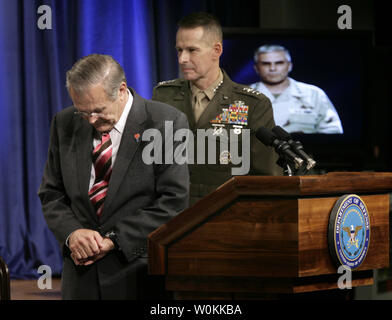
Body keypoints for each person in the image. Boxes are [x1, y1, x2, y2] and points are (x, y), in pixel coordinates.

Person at [38, 54, 189, 299]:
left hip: (137, 271)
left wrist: (112, 240)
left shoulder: (165, 122)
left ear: (121, 90)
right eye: (83, 113)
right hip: (80, 275)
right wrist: (72, 233)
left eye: (98, 111)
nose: (91, 120)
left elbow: (173, 201)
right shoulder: (64, 122)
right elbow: (51, 193)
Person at [152, 12, 282, 205]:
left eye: (192, 50)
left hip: (225, 218)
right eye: (179, 50)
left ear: (217, 50)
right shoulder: (163, 95)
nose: (182, 59)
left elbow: (266, 178)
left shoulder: (253, 104)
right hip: (169, 218)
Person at [250, 44, 343, 134]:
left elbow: (332, 131)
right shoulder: (243, 96)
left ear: (289, 66)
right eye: (266, 64)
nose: (273, 68)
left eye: (279, 63)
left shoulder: (314, 94)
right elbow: (237, 134)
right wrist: (245, 150)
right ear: (256, 68)